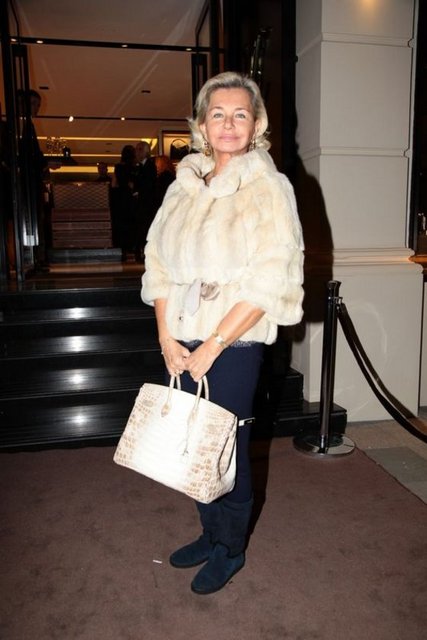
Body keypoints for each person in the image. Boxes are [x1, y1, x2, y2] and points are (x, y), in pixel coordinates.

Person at [141, 71, 304, 595]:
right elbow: (157, 264)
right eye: (218, 114)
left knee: (225, 446)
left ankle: (230, 548)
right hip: (180, 335)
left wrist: (213, 345)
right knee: (193, 443)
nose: (228, 124)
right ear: (201, 125)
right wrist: (166, 337)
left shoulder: (269, 188)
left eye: (240, 114)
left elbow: (271, 279)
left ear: (256, 125)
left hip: (234, 341)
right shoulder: (183, 186)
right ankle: (211, 534)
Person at [111, 144, 138, 261]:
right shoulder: (135, 167)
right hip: (131, 199)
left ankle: (123, 250)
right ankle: (134, 249)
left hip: (120, 199)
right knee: (133, 224)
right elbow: (134, 184)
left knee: (121, 225)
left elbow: (114, 184)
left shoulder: (118, 167)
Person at [134, 141, 157, 263]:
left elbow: (148, 186)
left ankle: (145, 253)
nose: (136, 152)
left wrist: (138, 191)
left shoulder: (150, 166)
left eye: (139, 149)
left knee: (146, 229)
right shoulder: (140, 166)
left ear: (145, 152)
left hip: (147, 206)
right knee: (141, 229)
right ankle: (141, 252)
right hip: (142, 206)